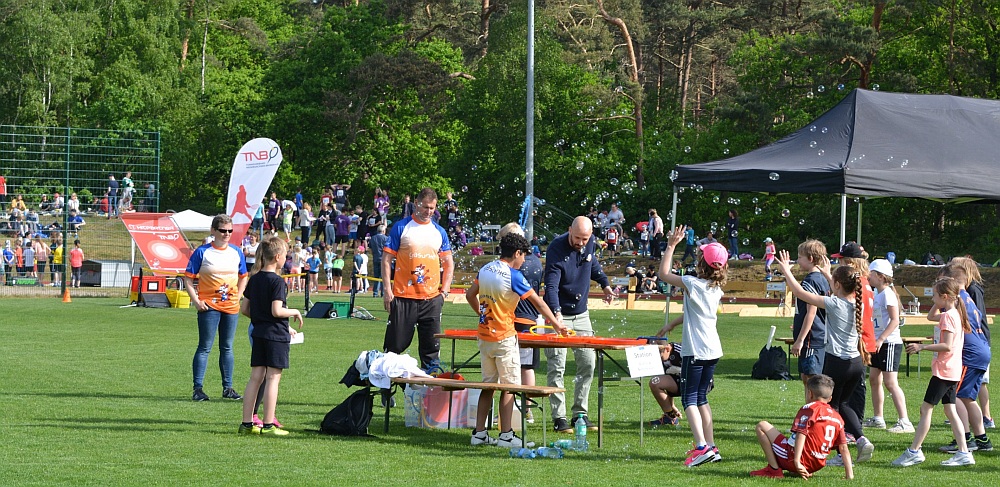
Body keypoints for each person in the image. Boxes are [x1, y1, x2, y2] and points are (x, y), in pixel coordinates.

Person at [775, 250, 874, 467]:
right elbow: (842, 288)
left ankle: (841, 454)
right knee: (844, 403)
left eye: (833, 282)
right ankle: (861, 438)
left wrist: (785, 272)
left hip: (836, 363)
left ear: (837, 285)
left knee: (832, 409)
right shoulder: (857, 302)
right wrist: (831, 275)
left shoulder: (835, 303)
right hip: (856, 364)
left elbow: (801, 294)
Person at [465, 232, 564, 448]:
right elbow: (538, 303)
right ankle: (506, 435)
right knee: (509, 387)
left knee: (488, 386)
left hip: (484, 337)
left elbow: (469, 295)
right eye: (523, 257)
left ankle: (479, 433)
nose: (523, 262)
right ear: (517, 253)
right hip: (504, 338)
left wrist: (482, 316)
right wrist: (557, 325)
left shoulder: (485, 269)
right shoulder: (513, 276)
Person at [657, 226, 727, 467]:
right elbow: (692, 313)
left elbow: (664, 274)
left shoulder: (692, 283)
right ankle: (712, 446)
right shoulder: (716, 288)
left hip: (695, 350)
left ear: (702, 263)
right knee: (702, 398)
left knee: (689, 399)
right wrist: (671, 326)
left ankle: (701, 447)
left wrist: (671, 245)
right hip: (712, 350)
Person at [543, 216, 616, 434]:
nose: (581, 243)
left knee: (588, 363)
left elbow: (592, 264)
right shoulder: (556, 248)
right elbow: (551, 285)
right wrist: (556, 314)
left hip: (581, 313)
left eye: (585, 239)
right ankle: (559, 417)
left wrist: (605, 284)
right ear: (569, 231)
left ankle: (580, 414)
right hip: (559, 315)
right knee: (557, 365)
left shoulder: (590, 242)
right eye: (577, 238)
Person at [891, 277, 974, 467]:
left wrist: (923, 347)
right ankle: (964, 452)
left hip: (944, 372)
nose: (932, 298)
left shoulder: (948, 316)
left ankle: (914, 451)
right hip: (951, 370)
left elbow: (947, 345)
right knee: (950, 410)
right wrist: (939, 302)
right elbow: (930, 317)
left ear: (945, 296)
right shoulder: (953, 313)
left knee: (925, 409)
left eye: (935, 295)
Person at [381, 188, 454, 370]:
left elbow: (449, 264)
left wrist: (444, 292)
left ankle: (429, 393)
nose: (428, 211)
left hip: (431, 300)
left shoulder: (439, 232)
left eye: (432, 208)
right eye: (425, 207)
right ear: (416, 204)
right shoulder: (401, 227)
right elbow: (386, 259)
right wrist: (387, 290)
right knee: (394, 348)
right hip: (404, 297)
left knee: (431, 351)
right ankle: (387, 392)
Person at [239, 236, 303, 436]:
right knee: (273, 378)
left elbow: (245, 309)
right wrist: (294, 311)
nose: (287, 258)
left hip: (259, 333)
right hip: (275, 336)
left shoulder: (255, 278)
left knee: (255, 378)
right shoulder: (277, 281)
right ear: (277, 257)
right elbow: (277, 310)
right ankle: (268, 425)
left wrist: (261, 318)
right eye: (285, 255)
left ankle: (246, 423)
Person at [184, 215, 248, 402]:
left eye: (230, 231)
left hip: (230, 307)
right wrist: (196, 301)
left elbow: (244, 275)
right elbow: (188, 278)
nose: (227, 234)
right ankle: (198, 389)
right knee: (205, 347)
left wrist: (239, 295)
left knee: (227, 347)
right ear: (213, 231)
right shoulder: (202, 252)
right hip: (209, 307)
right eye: (223, 230)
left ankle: (227, 387)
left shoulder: (236, 252)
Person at [751, 374, 855, 479]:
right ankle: (797, 469)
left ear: (810, 393)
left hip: (798, 459)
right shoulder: (837, 417)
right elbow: (843, 447)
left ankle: (774, 470)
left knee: (762, 425)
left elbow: (802, 433)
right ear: (830, 398)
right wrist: (849, 475)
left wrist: (797, 462)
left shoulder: (809, 409)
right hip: (816, 464)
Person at [936, 264, 992, 453]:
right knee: (968, 398)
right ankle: (982, 439)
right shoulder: (967, 297)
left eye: (941, 281)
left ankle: (965, 438)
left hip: (971, 353)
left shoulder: (957, 300)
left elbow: (933, 317)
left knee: (957, 396)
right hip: (981, 350)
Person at [864, 259, 914, 433]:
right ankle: (878, 418)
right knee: (874, 379)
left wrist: (881, 339)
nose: (868, 276)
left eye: (871, 273)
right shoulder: (877, 293)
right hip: (878, 343)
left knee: (890, 382)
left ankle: (905, 421)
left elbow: (895, 320)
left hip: (889, 343)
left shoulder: (887, 294)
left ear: (879, 276)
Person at [951, 257, 994, 429]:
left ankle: (980, 422)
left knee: (964, 393)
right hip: (979, 345)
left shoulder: (971, 291)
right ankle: (980, 433)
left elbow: (973, 318)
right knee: (968, 395)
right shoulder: (967, 291)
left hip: (976, 343)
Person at [788, 239, 830, 402]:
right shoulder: (822, 278)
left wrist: (800, 340)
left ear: (811, 258)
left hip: (813, 339)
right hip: (816, 336)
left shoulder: (811, 280)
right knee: (808, 377)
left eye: (800, 257)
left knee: (812, 381)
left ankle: (812, 413)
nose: (798, 260)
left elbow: (811, 313)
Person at [647, 335, 685, 427]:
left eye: (659, 356)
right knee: (655, 382)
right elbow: (667, 381)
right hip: (679, 381)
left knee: (656, 381)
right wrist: (672, 407)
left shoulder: (681, 352)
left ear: (667, 349)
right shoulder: (662, 358)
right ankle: (670, 417)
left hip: (696, 381)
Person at [369, 224, 388, 297]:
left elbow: (370, 248)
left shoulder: (373, 238)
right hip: (383, 259)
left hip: (375, 258)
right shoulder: (386, 238)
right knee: (384, 276)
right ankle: (383, 292)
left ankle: (375, 292)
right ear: (383, 231)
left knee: (376, 276)